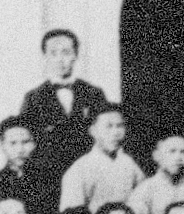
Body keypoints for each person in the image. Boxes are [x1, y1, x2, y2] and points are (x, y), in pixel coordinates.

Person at [17, 30, 113, 203]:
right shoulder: (33, 98)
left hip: (88, 177)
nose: (60, 59)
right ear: (45, 57)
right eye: (53, 53)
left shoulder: (93, 94)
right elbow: (26, 141)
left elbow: (107, 136)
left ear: (75, 55)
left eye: (66, 52)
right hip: (49, 182)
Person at [59, 109, 144, 214]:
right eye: (109, 126)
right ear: (93, 131)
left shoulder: (129, 164)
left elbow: (142, 204)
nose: (116, 132)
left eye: (119, 126)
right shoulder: (79, 169)